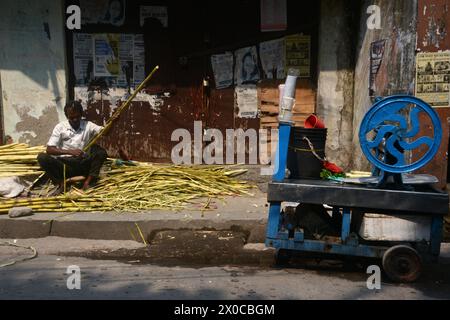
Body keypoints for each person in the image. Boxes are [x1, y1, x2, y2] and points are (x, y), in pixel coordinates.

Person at [37, 101, 108, 193]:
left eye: (77, 117)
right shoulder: (60, 127)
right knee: (42, 157)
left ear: (81, 114)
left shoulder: (88, 125)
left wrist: (114, 122)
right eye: (71, 117)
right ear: (67, 116)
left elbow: (105, 132)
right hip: (66, 166)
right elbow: (49, 149)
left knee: (100, 152)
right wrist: (70, 152)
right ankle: (61, 183)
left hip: (83, 164)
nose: (75, 120)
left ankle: (88, 182)